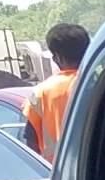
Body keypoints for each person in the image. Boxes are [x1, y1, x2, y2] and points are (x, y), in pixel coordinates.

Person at [27, 22, 89, 161]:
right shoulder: (100, 82)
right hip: (98, 169)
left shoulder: (40, 93)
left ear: (57, 57)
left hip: (57, 173)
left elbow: (31, 142)